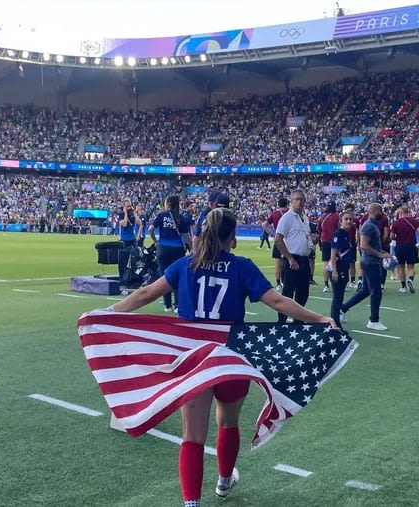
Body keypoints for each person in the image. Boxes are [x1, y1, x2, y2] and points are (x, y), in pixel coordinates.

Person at [108, 206, 335, 507]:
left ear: (202, 235)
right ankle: (224, 482)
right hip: (229, 357)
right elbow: (278, 301)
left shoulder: (184, 265)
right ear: (233, 237)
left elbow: (144, 295)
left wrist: (104, 315)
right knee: (228, 424)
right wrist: (318, 318)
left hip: (193, 359)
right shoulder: (242, 266)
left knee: (193, 435)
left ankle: (192, 503)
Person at [339, 202, 392, 331]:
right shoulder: (369, 226)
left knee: (366, 291)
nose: (382, 213)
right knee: (376, 291)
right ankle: (373, 320)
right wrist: (380, 255)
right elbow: (364, 245)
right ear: (374, 211)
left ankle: (343, 308)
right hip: (370, 262)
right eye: (380, 211)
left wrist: (384, 253)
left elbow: (373, 245)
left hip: (370, 261)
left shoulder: (372, 225)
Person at [274, 189, 314, 323]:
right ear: (291, 201)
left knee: (303, 293)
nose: (299, 202)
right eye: (296, 199)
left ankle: (298, 321)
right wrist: (290, 258)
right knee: (288, 293)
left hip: (304, 259)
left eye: (301, 199)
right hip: (292, 259)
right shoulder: (287, 218)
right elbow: (278, 239)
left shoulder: (305, 218)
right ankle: (282, 322)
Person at [149, 195, 191, 312]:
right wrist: (192, 249)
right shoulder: (181, 218)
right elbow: (186, 236)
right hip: (177, 250)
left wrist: (155, 241)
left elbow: (151, 229)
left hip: (163, 249)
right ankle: (178, 304)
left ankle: (167, 305)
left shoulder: (162, 216)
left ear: (168, 204)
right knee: (178, 276)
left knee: (164, 276)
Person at [328, 211, 354, 327]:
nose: (348, 221)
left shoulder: (346, 234)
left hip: (344, 268)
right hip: (337, 269)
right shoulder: (338, 235)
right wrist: (334, 271)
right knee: (337, 297)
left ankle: (335, 322)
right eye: (346, 219)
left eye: (350, 219)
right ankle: (335, 324)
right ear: (340, 221)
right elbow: (333, 254)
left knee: (340, 297)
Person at [389, 206, 419, 294]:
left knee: (400, 266)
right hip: (412, 246)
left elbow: (391, 237)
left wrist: (398, 238)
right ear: (408, 212)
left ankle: (403, 286)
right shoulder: (414, 221)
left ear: (400, 213)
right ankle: (410, 280)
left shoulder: (396, 223)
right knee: (411, 266)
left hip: (400, 246)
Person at [265, 197, 289, 291]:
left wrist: (272, 234)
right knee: (289, 260)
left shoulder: (275, 214)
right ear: (287, 204)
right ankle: (287, 281)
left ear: (278, 204)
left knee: (277, 261)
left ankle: (278, 283)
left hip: (278, 239)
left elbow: (264, 225)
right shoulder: (290, 213)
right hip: (288, 240)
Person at [117, 199, 138, 285]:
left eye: (130, 206)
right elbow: (124, 224)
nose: (129, 208)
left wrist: (134, 213)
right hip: (124, 240)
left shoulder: (132, 215)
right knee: (123, 260)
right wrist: (125, 213)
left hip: (132, 239)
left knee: (134, 259)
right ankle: (122, 278)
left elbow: (139, 222)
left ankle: (132, 277)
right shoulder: (121, 214)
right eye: (127, 206)